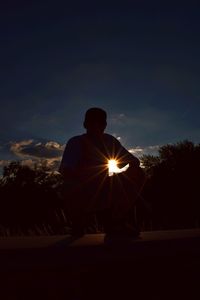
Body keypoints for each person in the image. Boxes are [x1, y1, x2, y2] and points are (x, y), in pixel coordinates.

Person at [59, 108, 145, 238]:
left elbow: (133, 161)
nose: (97, 126)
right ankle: (78, 223)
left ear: (105, 125)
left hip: (106, 188)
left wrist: (130, 169)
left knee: (138, 173)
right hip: (83, 190)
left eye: (101, 122)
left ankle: (116, 222)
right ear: (85, 124)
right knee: (68, 185)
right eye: (93, 122)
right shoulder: (76, 142)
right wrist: (87, 178)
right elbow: (66, 171)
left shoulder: (109, 141)